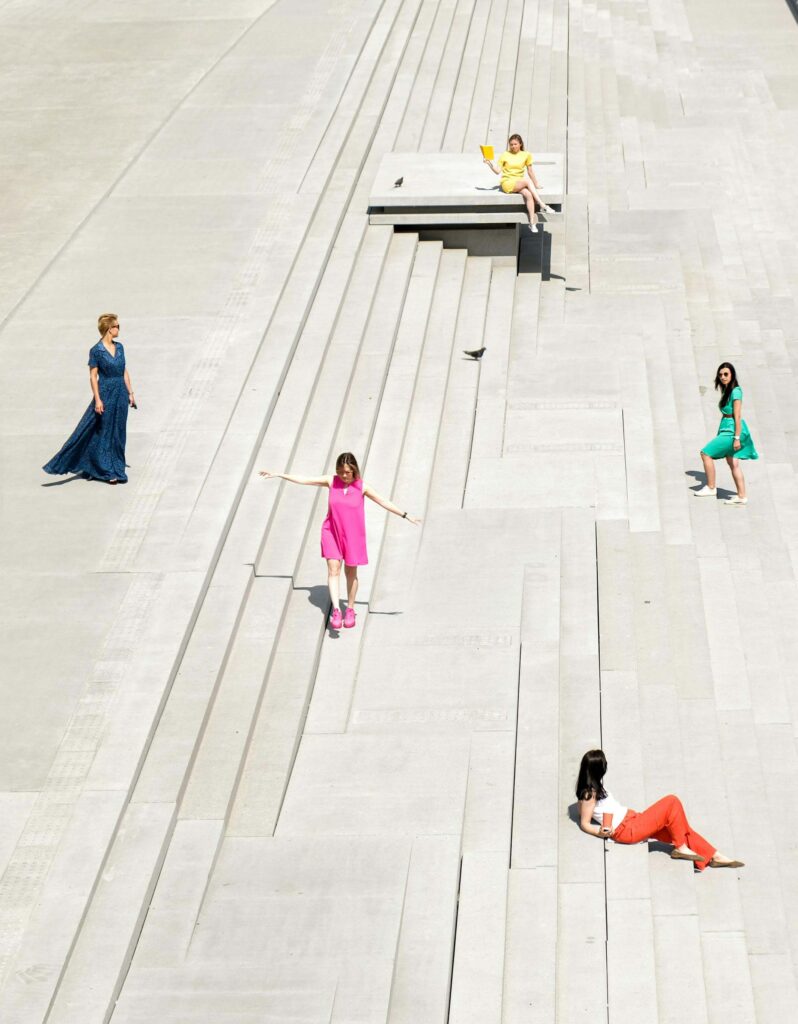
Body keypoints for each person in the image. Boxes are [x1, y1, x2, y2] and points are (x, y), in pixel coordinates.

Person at [259, 452, 420, 630]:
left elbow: (383, 501)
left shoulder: (362, 487)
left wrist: (406, 516)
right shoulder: (331, 481)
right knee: (333, 570)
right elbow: (305, 479)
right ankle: (336, 610)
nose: (344, 476)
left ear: (354, 471)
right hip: (332, 532)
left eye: (348, 472)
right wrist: (279, 474)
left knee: (351, 574)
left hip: (353, 536)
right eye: (341, 472)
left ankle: (350, 609)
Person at [576, 749, 744, 870]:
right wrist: (603, 831)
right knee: (671, 801)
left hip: (632, 819)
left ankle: (714, 856)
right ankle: (681, 849)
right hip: (625, 829)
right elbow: (585, 823)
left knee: (678, 828)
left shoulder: (594, 787)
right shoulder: (588, 795)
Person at [43, 313, 135, 484]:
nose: (119, 329)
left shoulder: (120, 347)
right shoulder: (96, 351)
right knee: (105, 431)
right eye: (117, 326)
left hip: (121, 393)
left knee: (119, 432)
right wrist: (98, 400)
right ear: (109, 329)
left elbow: (123, 370)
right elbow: (93, 377)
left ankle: (116, 466)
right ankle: (106, 470)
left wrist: (130, 393)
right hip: (106, 392)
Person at [694, 362, 758, 505]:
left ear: (732, 375)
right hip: (726, 427)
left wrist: (736, 437)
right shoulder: (727, 390)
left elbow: (737, 415)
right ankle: (742, 496)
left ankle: (711, 487)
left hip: (732, 430)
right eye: (721, 374)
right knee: (733, 462)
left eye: (726, 374)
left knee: (705, 453)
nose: (723, 377)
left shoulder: (735, 391)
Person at [483, 133, 555, 232]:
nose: (513, 146)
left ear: (520, 144)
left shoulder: (526, 155)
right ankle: (542, 205)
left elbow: (530, 171)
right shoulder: (505, 155)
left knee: (528, 194)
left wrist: (536, 184)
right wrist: (489, 163)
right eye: (511, 144)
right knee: (527, 181)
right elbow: (497, 171)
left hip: (519, 182)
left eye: (515, 144)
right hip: (507, 183)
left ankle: (532, 223)